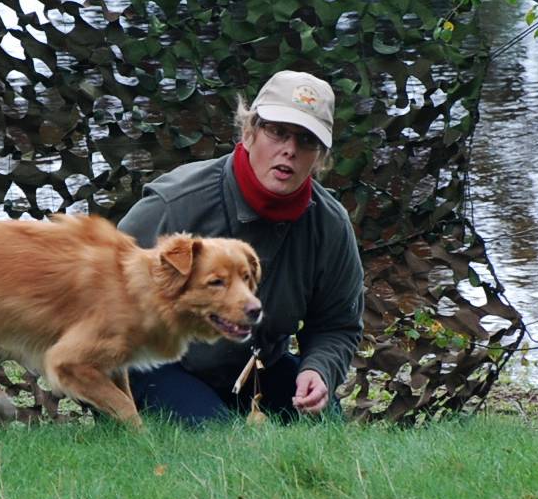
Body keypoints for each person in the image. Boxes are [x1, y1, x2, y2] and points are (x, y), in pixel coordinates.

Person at [117, 70, 365, 424]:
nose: (290, 150)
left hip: (261, 369)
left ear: (320, 157)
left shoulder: (330, 225)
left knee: (326, 425)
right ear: (249, 132)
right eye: (277, 131)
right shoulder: (174, 205)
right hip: (161, 365)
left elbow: (337, 324)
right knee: (217, 435)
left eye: (306, 140)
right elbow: (100, 291)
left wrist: (319, 371)